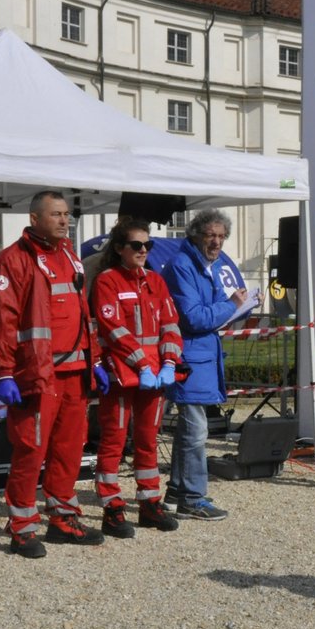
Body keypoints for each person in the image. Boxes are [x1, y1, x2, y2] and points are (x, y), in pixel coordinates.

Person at [0, 190, 110, 557]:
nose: (64, 220)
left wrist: (98, 361)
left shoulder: (70, 256)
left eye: (66, 214)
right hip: (37, 375)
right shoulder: (14, 260)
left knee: (69, 450)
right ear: (34, 218)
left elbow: (83, 315)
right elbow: (2, 320)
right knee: (30, 451)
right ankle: (22, 527)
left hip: (75, 372)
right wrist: (4, 372)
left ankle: (63, 518)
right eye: (56, 214)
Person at [92, 219, 182, 538]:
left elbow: (170, 325)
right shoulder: (107, 281)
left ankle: (149, 503)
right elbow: (113, 329)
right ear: (119, 248)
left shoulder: (156, 281)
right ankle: (112, 507)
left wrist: (169, 362)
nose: (144, 250)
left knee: (148, 440)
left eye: (148, 245)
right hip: (122, 374)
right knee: (114, 440)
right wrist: (142, 363)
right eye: (137, 245)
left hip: (154, 376)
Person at [161, 208, 252, 521]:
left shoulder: (203, 265)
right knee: (195, 433)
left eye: (221, 236)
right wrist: (232, 305)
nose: (217, 242)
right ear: (196, 235)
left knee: (191, 431)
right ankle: (192, 497)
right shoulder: (183, 265)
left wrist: (229, 307)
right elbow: (194, 317)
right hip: (189, 356)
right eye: (211, 235)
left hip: (198, 356)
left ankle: (176, 493)